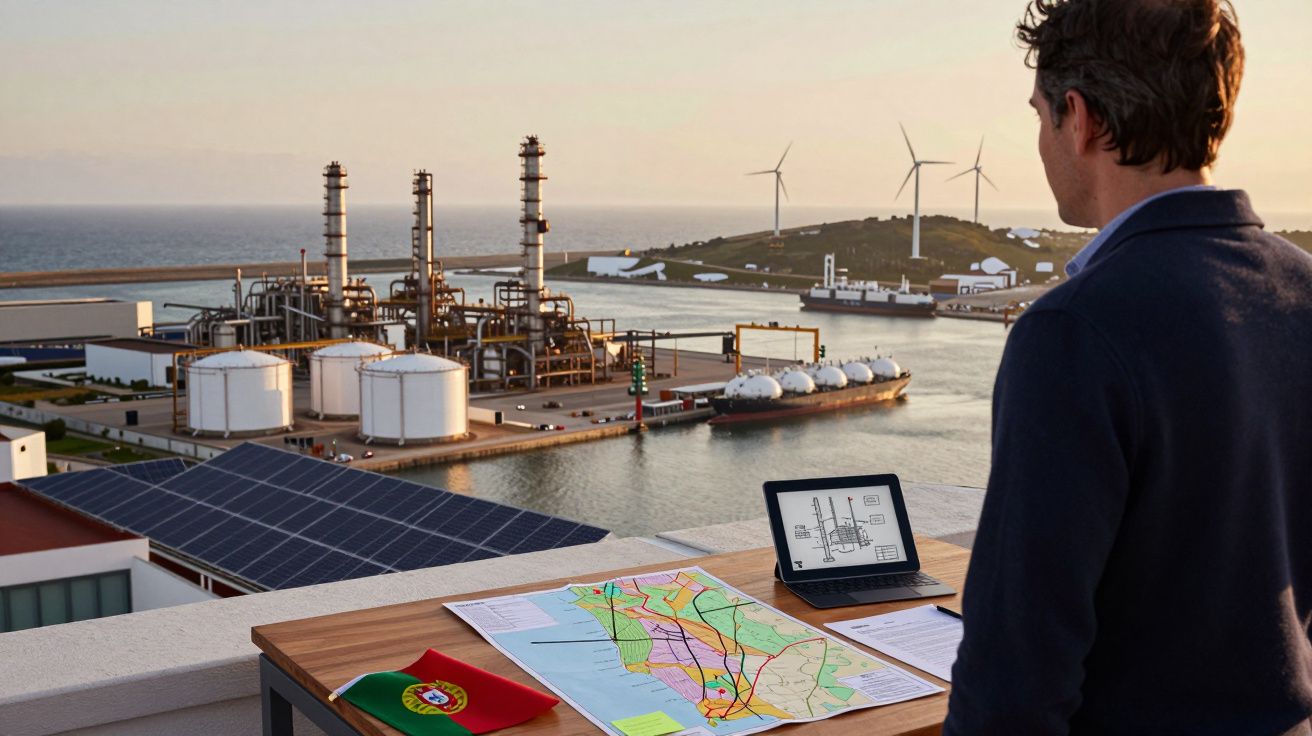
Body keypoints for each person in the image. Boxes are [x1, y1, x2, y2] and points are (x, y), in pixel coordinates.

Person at [944, 1, 1312, 734]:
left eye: (1040, 114)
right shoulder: (1303, 293)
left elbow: (1014, 675)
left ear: (1079, 119)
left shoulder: (1073, 333)